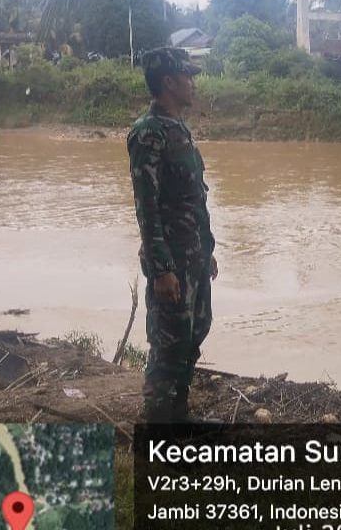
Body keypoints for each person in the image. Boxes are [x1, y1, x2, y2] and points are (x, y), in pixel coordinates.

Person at [127, 47, 218, 423]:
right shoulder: (148, 134)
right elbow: (147, 206)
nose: (192, 83)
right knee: (168, 346)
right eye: (187, 76)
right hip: (172, 263)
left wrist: (207, 249)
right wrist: (162, 267)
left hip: (193, 256)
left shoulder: (179, 129)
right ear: (168, 82)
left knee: (193, 334)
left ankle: (179, 419)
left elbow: (193, 199)